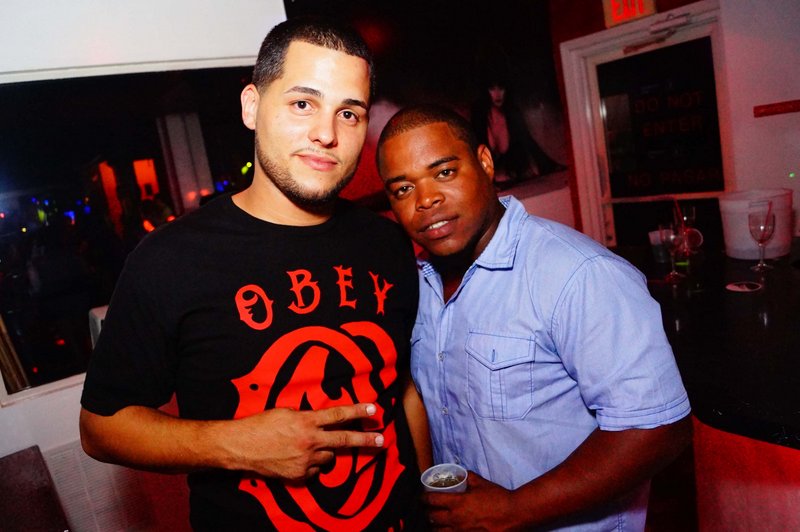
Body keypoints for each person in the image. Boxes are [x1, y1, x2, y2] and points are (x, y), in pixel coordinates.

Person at [80, 18, 431, 530]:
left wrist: (430, 501)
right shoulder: (171, 260)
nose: (326, 134)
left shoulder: (386, 242)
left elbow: (403, 388)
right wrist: (238, 444)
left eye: (348, 113)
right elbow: (100, 428)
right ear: (251, 106)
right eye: (303, 103)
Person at [376, 104, 692, 531]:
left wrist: (512, 509)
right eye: (402, 189)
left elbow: (658, 429)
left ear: (485, 162)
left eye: (444, 172)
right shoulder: (415, 285)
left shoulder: (579, 274)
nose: (425, 200)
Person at [471, 73, 566, 189]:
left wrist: (549, 166)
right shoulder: (479, 117)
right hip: (489, 181)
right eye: (492, 89)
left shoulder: (512, 114)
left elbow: (529, 142)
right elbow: (473, 153)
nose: (497, 94)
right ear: (486, 91)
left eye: (501, 88)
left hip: (511, 176)